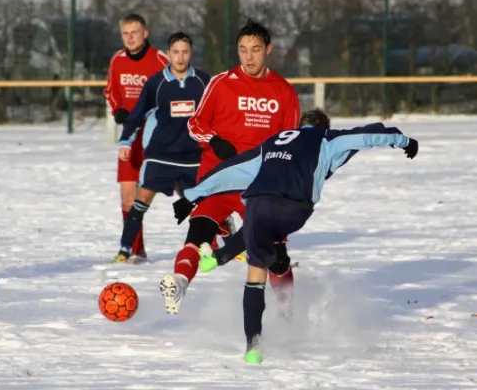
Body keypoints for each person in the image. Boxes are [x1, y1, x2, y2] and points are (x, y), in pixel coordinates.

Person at [172, 108, 419, 364]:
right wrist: (403, 140)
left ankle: (253, 347)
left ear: (300, 125)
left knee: (256, 268)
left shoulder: (272, 143)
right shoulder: (326, 139)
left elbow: (233, 170)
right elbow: (366, 136)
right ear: (323, 127)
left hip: (258, 204)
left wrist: (192, 196)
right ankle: (218, 258)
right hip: (295, 210)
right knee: (266, 234)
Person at [159, 18, 300, 315]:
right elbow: (195, 124)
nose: (249, 57)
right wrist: (215, 139)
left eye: (256, 50)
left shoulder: (284, 92)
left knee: (276, 258)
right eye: (243, 50)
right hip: (218, 178)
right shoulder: (221, 83)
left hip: (260, 187)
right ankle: (179, 284)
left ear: (268, 50)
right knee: (198, 232)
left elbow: (292, 143)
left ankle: (286, 310)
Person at [113, 32, 210, 264]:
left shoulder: (204, 81)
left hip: (193, 157)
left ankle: (209, 249)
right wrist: (126, 141)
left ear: (191, 53)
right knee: (141, 201)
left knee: (202, 206)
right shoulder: (157, 83)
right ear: (168, 54)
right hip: (160, 155)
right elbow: (136, 115)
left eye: (184, 52)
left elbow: (219, 113)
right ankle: (125, 250)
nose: (180, 57)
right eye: (175, 52)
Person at [104, 13, 169, 260]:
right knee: (128, 194)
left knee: (189, 189)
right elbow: (110, 91)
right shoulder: (117, 60)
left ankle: (216, 238)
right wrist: (118, 108)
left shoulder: (161, 59)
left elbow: (174, 88)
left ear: (145, 33)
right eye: (125, 33)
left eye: (135, 32)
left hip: (159, 137)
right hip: (130, 137)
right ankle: (135, 249)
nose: (130, 38)